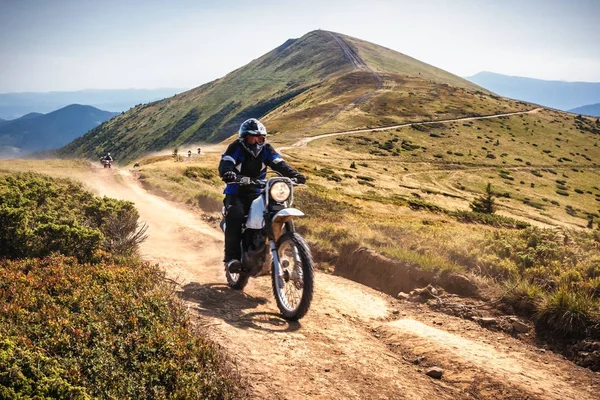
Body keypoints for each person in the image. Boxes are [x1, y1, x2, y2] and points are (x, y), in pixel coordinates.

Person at [218, 118, 306, 273]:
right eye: (252, 137)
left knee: (274, 211)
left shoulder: (266, 149)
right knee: (235, 215)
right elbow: (227, 162)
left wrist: (295, 175)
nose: (257, 141)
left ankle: (279, 250)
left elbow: (278, 163)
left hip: (259, 193)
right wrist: (228, 172)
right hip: (236, 192)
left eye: (260, 138)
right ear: (244, 138)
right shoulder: (236, 147)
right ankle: (232, 258)